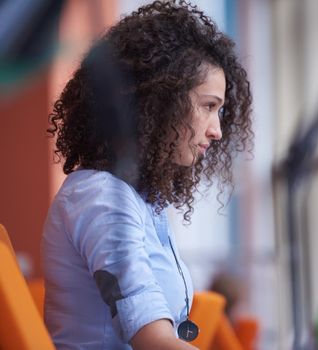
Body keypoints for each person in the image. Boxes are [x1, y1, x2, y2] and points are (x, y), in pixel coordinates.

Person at [42, 1, 253, 349]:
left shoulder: (139, 201)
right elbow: (153, 340)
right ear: (158, 102)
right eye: (208, 106)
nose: (217, 130)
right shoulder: (100, 199)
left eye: (221, 111)